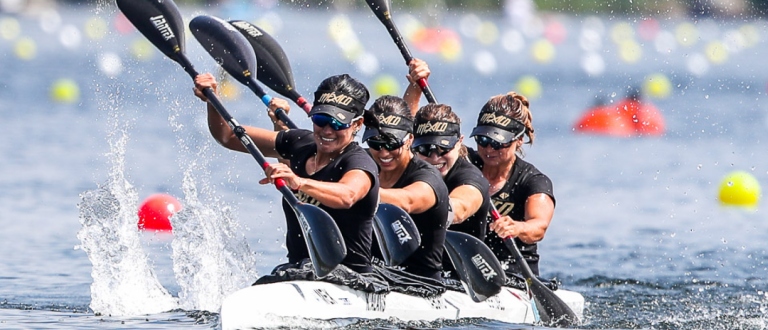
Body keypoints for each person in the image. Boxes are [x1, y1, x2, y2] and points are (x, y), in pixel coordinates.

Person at [193, 72, 380, 274]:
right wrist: (212, 99)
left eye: (338, 123)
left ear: (357, 124)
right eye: (321, 119)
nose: (327, 130)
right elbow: (227, 136)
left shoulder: (359, 162)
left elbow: (347, 195)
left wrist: (298, 182)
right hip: (300, 270)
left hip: (351, 278)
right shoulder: (298, 143)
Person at [362, 95, 450, 281]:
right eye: (375, 144)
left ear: (410, 139)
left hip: (420, 283)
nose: (384, 153)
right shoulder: (363, 161)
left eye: (392, 144)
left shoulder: (427, 177)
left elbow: (407, 201)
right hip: (373, 275)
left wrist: (352, 190)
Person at [468, 92, 555, 277]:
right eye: (483, 140)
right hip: (464, 270)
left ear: (519, 140)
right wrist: (415, 87)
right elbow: (409, 142)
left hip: (513, 277)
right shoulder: (464, 163)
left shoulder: (533, 181)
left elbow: (538, 227)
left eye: (498, 143)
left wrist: (517, 227)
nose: (489, 149)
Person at [403, 59, 491, 241]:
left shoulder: (471, 178)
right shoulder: (409, 156)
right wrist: (414, 87)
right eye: (426, 149)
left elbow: (458, 210)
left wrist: (380, 198)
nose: (435, 157)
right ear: (413, 145)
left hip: (457, 262)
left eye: (443, 148)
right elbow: (400, 132)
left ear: (459, 143)